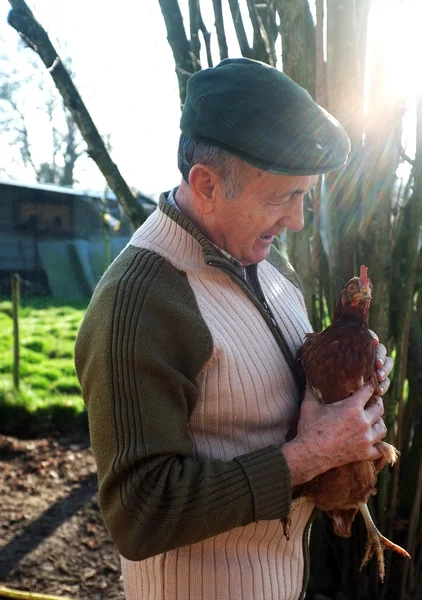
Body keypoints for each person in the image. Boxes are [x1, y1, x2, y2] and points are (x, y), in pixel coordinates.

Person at [75, 58, 391, 600]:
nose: (295, 220)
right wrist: (309, 455)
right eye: (282, 197)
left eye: (303, 196)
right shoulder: (139, 303)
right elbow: (139, 515)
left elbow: (271, 379)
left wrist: (352, 374)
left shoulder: (264, 258)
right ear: (208, 184)